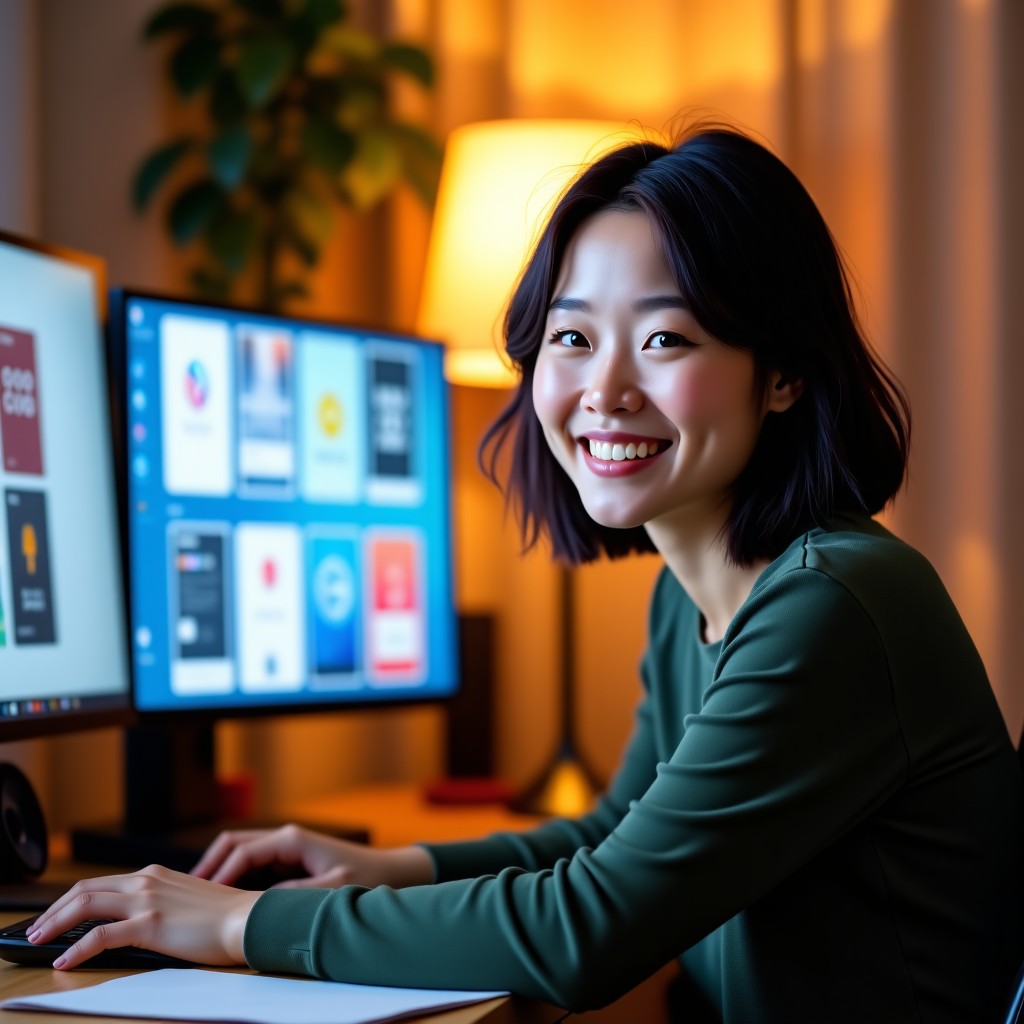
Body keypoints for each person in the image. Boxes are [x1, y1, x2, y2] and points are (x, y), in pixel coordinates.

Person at [30, 125, 1024, 1022]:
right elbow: (617, 836)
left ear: (783, 373)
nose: (604, 390)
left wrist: (246, 924)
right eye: (572, 337)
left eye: (665, 338)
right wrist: (393, 864)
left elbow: (588, 928)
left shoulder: (835, 605)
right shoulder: (695, 597)